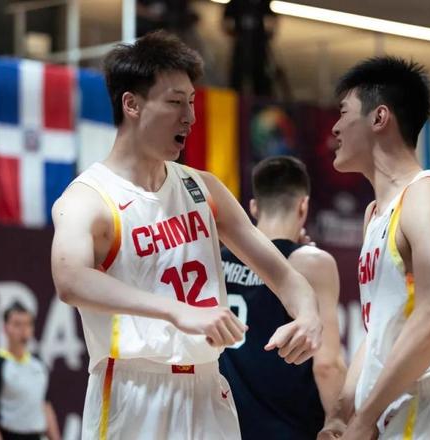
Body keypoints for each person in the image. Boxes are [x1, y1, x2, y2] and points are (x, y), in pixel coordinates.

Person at [50, 30, 322, 440]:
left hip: (207, 386)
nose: (190, 117)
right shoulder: (89, 197)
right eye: (176, 102)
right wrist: (174, 310)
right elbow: (70, 280)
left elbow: (283, 274)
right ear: (132, 105)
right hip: (134, 390)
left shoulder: (203, 187)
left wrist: (309, 316)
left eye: (192, 102)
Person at [318, 56, 430, 439]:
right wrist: (342, 412)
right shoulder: (375, 215)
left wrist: (364, 418)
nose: (335, 128)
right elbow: (378, 333)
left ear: (379, 118)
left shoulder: (427, 196)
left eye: (343, 113)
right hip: (393, 410)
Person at [219, 156, 346, 439]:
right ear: (303, 206)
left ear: (254, 207)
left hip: (224, 426)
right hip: (289, 428)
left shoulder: (216, 259)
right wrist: (338, 420)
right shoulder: (312, 263)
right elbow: (327, 365)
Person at [0, 302, 61, 440]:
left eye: (27, 324)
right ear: (6, 328)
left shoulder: (38, 365)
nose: (23, 330)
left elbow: (44, 405)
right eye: (17, 324)